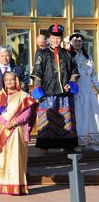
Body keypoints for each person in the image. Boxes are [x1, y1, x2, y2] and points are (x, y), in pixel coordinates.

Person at [31, 24, 80, 152]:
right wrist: (38, 90)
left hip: (65, 93)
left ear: (61, 39)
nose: (56, 40)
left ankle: (68, 145)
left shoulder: (68, 54)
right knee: (47, 120)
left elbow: (74, 72)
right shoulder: (42, 54)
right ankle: (44, 146)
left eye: (58, 38)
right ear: (49, 38)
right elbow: (37, 74)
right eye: (53, 38)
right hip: (47, 93)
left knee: (67, 120)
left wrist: (72, 83)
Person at [0, 71, 36, 195]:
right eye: (7, 80)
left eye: (12, 79)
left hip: (17, 130)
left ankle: (17, 185)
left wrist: (15, 122)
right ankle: (4, 185)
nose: (9, 82)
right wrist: (5, 123)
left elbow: (27, 113)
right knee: (4, 157)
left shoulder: (24, 95)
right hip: (3, 129)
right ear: (3, 82)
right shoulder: (0, 96)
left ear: (16, 81)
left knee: (17, 157)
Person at [0, 46, 24, 155]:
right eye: (2, 56)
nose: (5, 58)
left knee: (13, 131)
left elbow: (23, 86)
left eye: (7, 55)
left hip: (14, 106)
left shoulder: (18, 69)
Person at [69, 32, 99, 149]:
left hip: (89, 92)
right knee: (80, 117)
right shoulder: (69, 56)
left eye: (80, 41)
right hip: (77, 93)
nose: (78, 43)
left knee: (92, 116)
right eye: (75, 41)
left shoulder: (88, 57)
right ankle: (79, 143)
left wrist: (97, 88)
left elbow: (94, 75)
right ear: (71, 42)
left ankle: (92, 142)